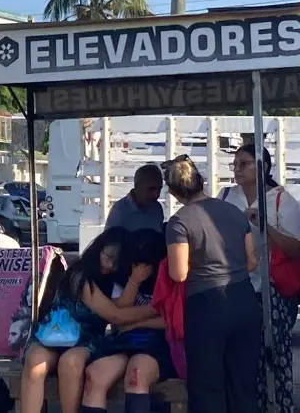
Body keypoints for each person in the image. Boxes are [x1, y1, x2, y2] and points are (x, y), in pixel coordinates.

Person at [20, 227, 156, 413]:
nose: (109, 266)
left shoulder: (113, 279)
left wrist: (134, 281)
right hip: (53, 333)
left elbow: (122, 305)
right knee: (35, 362)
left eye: (116, 263)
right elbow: (115, 315)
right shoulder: (80, 274)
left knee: (71, 362)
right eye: (108, 258)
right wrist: (156, 309)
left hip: (85, 339)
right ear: (97, 249)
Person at [164, 154, 260, 413]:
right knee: (243, 383)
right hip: (244, 299)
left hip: (206, 306)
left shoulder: (179, 222)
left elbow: (179, 273)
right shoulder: (233, 211)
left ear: (173, 191)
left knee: (207, 387)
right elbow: (252, 262)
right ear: (201, 180)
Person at [219, 144, 300, 413]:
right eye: (235, 164)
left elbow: (294, 248)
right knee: (242, 358)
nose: (237, 169)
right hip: (235, 285)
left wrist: (264, 224)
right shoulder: (226, 196)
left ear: (262, 168)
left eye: (244, 164)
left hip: (272, 290)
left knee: (274, 355)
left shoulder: (280, 200)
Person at [80, 228, 172, 413]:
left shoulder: (169, 277)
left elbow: (170, 320)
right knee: (95, 375)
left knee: (136, 375)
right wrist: (134, 281)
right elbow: (119, 314)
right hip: (123, 341)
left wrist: (137, 323)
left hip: (156, 343)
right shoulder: (123, 277)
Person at [104, 164, 165, 233]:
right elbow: (108, 241)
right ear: (137, 187)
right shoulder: (120, 211)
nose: (156, 195)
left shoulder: (157, 208)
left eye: (159, 189)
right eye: (151, 189)